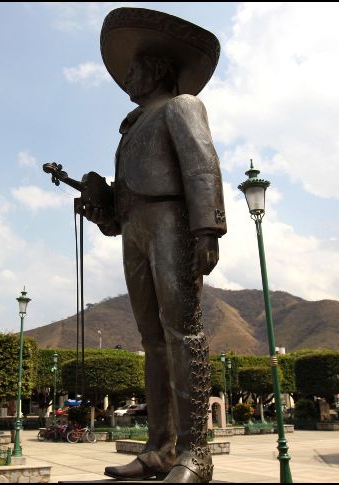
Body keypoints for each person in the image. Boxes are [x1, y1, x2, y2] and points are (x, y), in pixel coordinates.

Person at [87, 7, 226, 483]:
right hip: (135, 229)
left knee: (182, 332)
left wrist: (207, 228)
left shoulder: (180, 107)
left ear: (158, 71)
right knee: (152, 341)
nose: (128, 75)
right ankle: (158, 449)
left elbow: (202, 164)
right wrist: (101, 202)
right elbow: (121, 201)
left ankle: (196, 454)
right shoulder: (130, 129)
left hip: (171, 221)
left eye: (136, 67)